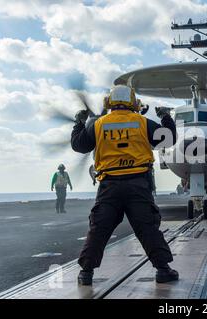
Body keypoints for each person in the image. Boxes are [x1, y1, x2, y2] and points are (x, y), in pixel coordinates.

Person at [71, 85, 178, 286]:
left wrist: (79, 123)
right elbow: (169, 139)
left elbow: (79, 145)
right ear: (134, 103)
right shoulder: (141, 122)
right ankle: (163, 270)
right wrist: (166, 117)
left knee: (99, 229)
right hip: (138, 184)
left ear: (108, 103)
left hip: (109, 186)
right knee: (147, 227)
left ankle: (86, 273)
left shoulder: (99, 124)